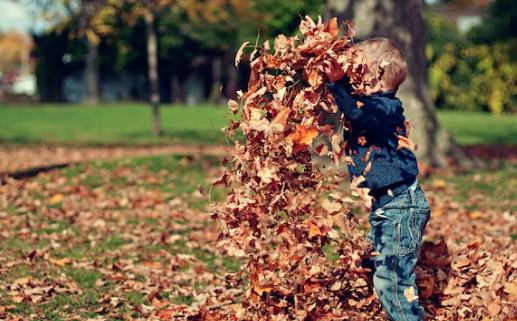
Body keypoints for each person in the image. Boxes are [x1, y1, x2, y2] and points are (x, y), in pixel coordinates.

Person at [324, 37, 431, 321]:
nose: (352, 80)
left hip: (401, 208)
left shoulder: (385, 108)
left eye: (357, 74)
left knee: (392, 279)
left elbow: (359, 111)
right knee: (371, 262)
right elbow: (355, 110)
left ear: (376, 78)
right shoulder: (372, 106)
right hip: (386, 208)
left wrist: (338, 85)